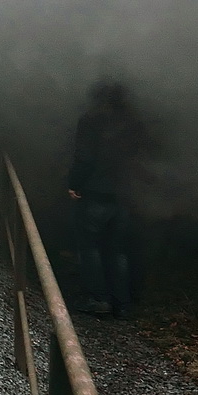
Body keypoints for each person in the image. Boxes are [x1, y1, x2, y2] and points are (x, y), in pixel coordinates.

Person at [68, 79, 143, 318]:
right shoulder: (132, 123)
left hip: (95, 192)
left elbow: (84, 158)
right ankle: (122, 304)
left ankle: (99, 298)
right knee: (118, 249)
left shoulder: (91, 120)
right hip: (124, 193)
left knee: (90, 247)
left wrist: (74, 184)